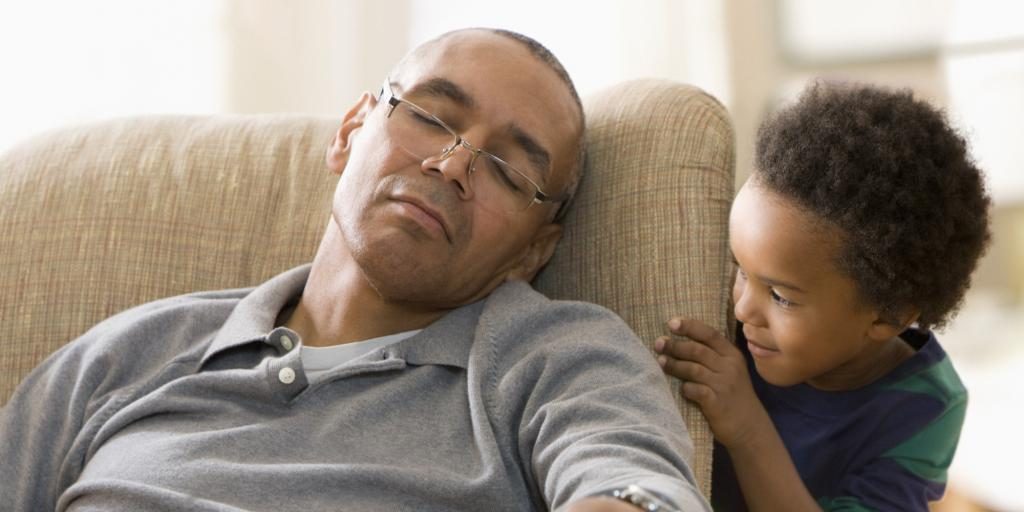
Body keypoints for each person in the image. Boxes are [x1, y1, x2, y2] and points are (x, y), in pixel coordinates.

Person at [0, 29, 709, 511]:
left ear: (534, 251)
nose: (454, 163)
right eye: (432, 117)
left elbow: (630, 479)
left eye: (506, 169)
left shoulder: (556, 357)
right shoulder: (130, 353)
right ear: (350, 132)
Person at [653, 81, 991, 511]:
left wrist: (747, 427)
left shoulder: (925, 408)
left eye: (781, 296)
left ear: (885, 316)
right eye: (740, 269)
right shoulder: (729, 314)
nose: (742, 308)